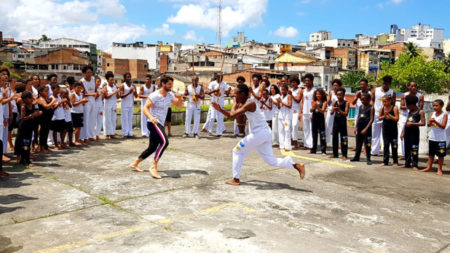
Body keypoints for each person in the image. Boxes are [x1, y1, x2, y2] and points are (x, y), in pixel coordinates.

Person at [210, 84, 305, 186]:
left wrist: (220, 109)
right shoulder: (243, 102)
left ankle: (236, 179)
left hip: (259, 133)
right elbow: (233, 113)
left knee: (237, 151)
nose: (234, 96)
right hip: (264, 133)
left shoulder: (250, 103)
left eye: (235, 94)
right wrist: (235, 101)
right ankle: (296, 165)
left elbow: (232, 115)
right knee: (271, 161)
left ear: (242, 94)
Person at [130, 76, 183, 179]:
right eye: (169, 84)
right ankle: (154, 166)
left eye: (171, 84)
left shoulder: (170, 95)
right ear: (163, 84)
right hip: (153, 122)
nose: (171, 86)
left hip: (160, 124)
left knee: (152, 147)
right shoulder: (155, 95)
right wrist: (151, 117)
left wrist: (180, 99)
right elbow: (145, 108)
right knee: (165, 142)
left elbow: (178, 105)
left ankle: (135, 163)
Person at [15, 91, 42, 166]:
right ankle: (24, 160)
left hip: (30, 126)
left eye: (31, 97)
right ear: (25, 99)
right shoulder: (23, 106)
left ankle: (26, 159)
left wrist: (38, 114)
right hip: (24, 127)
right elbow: (23, 118)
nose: (31, 99)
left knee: (27, 143)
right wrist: (32, 115)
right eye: (29, 98)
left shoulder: (32, 106)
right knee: (24, 143)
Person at [371, 75, 396, 156]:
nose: (385, 85)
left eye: (387, 84)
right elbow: (372, 101)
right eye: (383, 83)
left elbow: (393, 104)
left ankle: (386, 152)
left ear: (390, 84)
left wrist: (390, 114)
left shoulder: (392, 93)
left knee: (386, 135)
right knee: (375, 133)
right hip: (376, 114)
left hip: (387, 116)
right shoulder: (376, 90)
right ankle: (375, 151)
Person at [422, 99, 447, 175]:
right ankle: (429, 167)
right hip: (432, 137)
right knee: (431, 154)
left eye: (436, 105)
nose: (435, 107)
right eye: (434, 105)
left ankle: (439, 169)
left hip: (441, 138)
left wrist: (435, 121)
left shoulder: (444, 114)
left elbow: (443, 126)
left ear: (441, 106)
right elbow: (428, 125)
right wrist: (430, 122)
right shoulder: (432, 113)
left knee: (440, 155)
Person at [400, 95, 425, 170]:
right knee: (407, 148)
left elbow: (423, 123)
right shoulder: (410, 111)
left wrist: (412, 124)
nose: (407, 107)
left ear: (412, 105)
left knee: (414, 148)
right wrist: (402, 132)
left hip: (414, 132)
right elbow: (406, 122)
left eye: (408, 105)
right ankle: (407, 163)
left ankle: (415, 165)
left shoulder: (420, 111)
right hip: (407, 132)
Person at [399, 82, 423, 159]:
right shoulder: (404, 95)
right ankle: (405, 155)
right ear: (408, 87)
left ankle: (414, 157)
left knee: (413, 139)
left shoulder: (420, 95)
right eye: (411, 86)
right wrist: (409, 107)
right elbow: (401, 106)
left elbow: (420, 107)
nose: (413, 87)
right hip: (406, 115)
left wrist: (414, 109)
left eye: (414, 86)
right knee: (404, 136)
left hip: (415, 116)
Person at [351, 93, 374, 165]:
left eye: (365, 100)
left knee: (367, 144)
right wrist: (356, 127)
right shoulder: (361, 107)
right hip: (360, 127)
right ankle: (356, 157)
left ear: (369, 100)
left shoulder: (371, 108)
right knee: (358, 143)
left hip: (367, 128)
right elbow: (358, 117)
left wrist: (366, 129)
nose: (363, 101)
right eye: (361, 100)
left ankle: (368, 159)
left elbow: (371, 119)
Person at [351, 78, 372, 151]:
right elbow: (353, 103)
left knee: (366, 132)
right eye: (361, 85)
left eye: (363, 85)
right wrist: (357, 97)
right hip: (358, 114)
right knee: (357, 132)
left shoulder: (369, 93)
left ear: (367, 85)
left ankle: (365, 148)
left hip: (366, 115)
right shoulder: (358, 92)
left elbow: (371, 104)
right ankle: (357, 146)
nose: (362, 86)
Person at [379, 94, 399, 167]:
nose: (384, 103)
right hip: (385, 129)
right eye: (383, 101)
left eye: (385, 101)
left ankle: (395, 161)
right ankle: (385, 161)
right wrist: (384, 116)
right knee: (386, 145)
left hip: (393, 129)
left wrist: (389, 115)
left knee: (394, 145)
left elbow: (397, 119)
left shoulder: (394, 108)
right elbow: (379, 118)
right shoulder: (382, 108)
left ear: (390, 101)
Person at [330, 87, 349, 160]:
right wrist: (333, 110)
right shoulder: (335, 102)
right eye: (337, 95)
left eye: (340, 95)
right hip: (336, 121)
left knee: (343, 138)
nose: (339, 96)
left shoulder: (346, 103)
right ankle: (335, 153)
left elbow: (346, 114)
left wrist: (339, 110)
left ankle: (344, 154)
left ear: (343, 95)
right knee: (335, 137)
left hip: (342, 122)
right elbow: (331, 113)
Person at [36, 85, 56, 153]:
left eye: (47, 91)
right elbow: (46, 107)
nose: (47, 93)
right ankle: (42, 148)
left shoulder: (46, 98)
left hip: (48, 118)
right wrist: (53, 101)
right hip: (43, 118)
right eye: (45, 91)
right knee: (43, 133)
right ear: (41, 92)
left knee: (46, 132)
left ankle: (45, 146)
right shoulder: (41, 99)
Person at [80, 65, 96, 143]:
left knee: (92, 118)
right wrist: (92, 94)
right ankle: (85, 137)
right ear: (84, 73)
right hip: (86, 101)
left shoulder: (93, 79)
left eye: (90, 72)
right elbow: (83, 93)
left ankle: (91, 135)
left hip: (93, 100)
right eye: (88, 72)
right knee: (86, 119)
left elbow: (95, 90)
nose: (89, 74)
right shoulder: (82, 81)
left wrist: (95, 94)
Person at [309, 89, 327, 155]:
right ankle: (313, 149)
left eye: (319, 94)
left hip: (321, 119)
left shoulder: (324, 102)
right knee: (314, 134)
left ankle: (323, 150)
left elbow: (322, 111)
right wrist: (312, 107)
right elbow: (311, 110)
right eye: (316, 94)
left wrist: (317, 106)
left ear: (322, 95)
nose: (318, 95)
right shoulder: (314, 101)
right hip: (314, 119)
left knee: (322, 134)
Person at [120, 72, 137, 138]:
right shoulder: (123, 85)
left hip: (131, 105)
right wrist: (129, 93)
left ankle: (130, 133)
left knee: (130, 120)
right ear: (124, 78)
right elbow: (121, 96)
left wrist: (134, 92)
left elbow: (136, 96)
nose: (129, 78)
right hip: (124, 105)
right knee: (125, 119)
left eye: (129, 77)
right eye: (127, 77)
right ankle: (125, 134)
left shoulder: (133, 85)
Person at [102, 71, 119, 139]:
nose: (112, 81)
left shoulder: (115, 86)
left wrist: (117, 92)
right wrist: (114, 92)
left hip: (114, 104)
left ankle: (112, 133)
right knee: (107, 119)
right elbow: (106, 97)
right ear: (107, 80)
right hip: (107, 104)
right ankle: (107, 133)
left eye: (113, 80)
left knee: (113, 118)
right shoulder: (106, 87)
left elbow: (118, 97)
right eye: (110, 80)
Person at [300, 73, 315, 149]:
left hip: (311, 112)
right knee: (305, 128)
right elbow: (302, 102)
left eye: (308, 81)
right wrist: (301, 111)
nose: (307, 82)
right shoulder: (304, 91)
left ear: (312, 81)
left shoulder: (314, 90)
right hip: (305, 112)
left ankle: (311, 144)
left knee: (311, 128)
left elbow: (314, 102)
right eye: (305, 81)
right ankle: (306, 144)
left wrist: (312, 112)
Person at [50, 84, 67, 150]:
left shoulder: (59, 97)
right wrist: (60, 103)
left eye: (58, 90)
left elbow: (61, 105)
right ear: (52, 90)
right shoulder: (51, 97)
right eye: (57, 90)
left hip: (61, 116)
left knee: (64, 130)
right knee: (55, 131)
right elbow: (53, 107)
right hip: (55, 117)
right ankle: (56, 144)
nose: (58, 91)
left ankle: (62, 143)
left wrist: (63, 103)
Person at [326, 79, 342, 144]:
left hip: (338, 112)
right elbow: (328, 103)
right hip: (330, 111)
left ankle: (340, 143)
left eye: (336, 85)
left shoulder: (341, 93)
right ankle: (326, 141)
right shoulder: (331, 93)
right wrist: (329, 96)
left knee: (338, 127)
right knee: (327, 126)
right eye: (334, 85)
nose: (335, 87)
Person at [277, 85, 293, 151]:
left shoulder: (289, 96)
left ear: (287, 90)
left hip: (287, 116)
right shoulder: (280, 97)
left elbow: (290, 106)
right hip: (281, 115)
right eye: (282, 90)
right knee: (281, 131)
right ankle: (281, 145)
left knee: (287, 130)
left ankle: (288, 146)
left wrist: (281, 102)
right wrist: (278, 102)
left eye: (284, 90)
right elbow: (279, 107)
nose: (283, 91)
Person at [289, 76, 302, 149]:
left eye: (294, 82)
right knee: (289, 125)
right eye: (291, 82)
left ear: (297, 83)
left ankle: (295, 140)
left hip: (296, 110)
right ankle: (290, 139)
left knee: (294, 125)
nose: (293, 84)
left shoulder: (299, 90)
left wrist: (291, 95)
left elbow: (298, 100)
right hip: (289, 110)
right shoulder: (290, 90)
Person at [94, 76, 104, 141]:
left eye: (99, 82)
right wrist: (98, 94)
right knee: (94, 121)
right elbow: (94, 98)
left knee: (99, 120)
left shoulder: (100, 89)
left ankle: (97, 135)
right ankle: (93, 135)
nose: (99, 83)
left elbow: (102, 98)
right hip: (94, 105)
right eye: (97, 82)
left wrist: (102, 94)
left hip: (100, 105)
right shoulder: (92, 89)